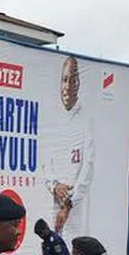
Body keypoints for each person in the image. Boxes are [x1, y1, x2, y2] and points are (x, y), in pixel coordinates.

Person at [46, 56, 94, 244]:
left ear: (78, 84)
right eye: (64, 80)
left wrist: (68, 204)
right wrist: (55, 186)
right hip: (53, 203)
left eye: (72, 80)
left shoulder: (86, 120)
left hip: (75, 210)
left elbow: (88, 166)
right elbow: (46, 163)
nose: (67, 86)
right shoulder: (54, 121)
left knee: (75, 254)